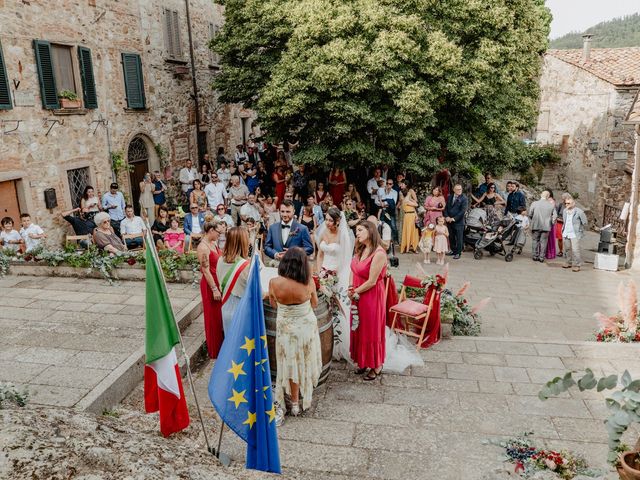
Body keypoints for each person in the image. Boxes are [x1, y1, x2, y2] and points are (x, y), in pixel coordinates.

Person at [269, 247, 322, 416]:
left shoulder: (274, 282)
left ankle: (293, 402)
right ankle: (299, 400)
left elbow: (273, 304)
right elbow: (314, 304)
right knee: (303, 361)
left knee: (289, 361)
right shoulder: (308, 282)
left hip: (285, 327)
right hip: (305, 327)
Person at [348, 220, 387, 381]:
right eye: (356, 231)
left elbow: (372, 281)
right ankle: (363, 361)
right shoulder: (360, 249)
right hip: (356, 294)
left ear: (370, 231)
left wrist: (355, 291)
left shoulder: (379, 253)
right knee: (359, 328)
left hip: (371, 296)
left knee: (371, 330)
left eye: (360, 230)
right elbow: (353, 268)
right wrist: (350, 287)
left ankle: (376, 365)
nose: (357, 234)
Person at [315, 208, 354, 361]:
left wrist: (334, 275)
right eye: (326, 219)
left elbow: (346, 260)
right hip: (323, 273)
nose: (327, 223)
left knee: (338, 308)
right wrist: (319, 274)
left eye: (331, 220)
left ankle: (340, 344)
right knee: (323, 308)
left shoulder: (343, 235)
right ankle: (324, 340)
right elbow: (320, 254)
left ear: (338, 221)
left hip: (337, 275)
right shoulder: (323, 232)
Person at [197, 221, 224, 358]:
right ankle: (215, 350)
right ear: (211, 230)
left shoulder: (213, 243)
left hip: (218, 280)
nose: (219, 235)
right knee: (212, 318)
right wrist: (214, 289)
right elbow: (205, 270)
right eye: (218, 232)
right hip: (210, 284)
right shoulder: (203, 247)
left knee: (219, 317)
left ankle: (221, 346)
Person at [217, 227, 250, 333]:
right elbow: (258, 293)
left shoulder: (220, 260)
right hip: (242, 311)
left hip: (226, 308)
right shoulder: (247, 265)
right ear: (243, 242)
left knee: (230, 343)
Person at [528, 191, 557, 262]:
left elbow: (530, 214)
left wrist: (533, 220)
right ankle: (541, 257)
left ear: (541, 195)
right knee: (543, 241)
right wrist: (551, 223)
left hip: (536, 225)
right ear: (548, 196)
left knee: (535, 240)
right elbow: (555, 216)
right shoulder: (551, 205)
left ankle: (535, 256)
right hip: (546, 226)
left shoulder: (534, 203)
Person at [561, 197, 588, 272]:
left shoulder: (579, 212)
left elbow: (585, 222)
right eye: (565, 203)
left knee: (575, 250)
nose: (566, 205)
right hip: (566, 232)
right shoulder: (564, 211)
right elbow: (564, 221)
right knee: (567, 249)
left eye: (568, 203)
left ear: (573, 203)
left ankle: (577, 265)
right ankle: (568, 262)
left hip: (575, 234)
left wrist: (580, 230)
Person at [444, 184, 467, 259]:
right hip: (449, 221)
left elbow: (462, 211)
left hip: (458, 222)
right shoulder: (450, 196)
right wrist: (446, 216)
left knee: (459, 238)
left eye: (460, 189)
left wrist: (453, 218)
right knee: (451, 237)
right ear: (454, 190)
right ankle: (453, 250)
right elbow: (446, 208)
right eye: (457, 189)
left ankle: (458, 253)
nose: (459, 191)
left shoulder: (464, 198)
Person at [399, 180, 419, 253]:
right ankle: (406, 246)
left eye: (402, 184)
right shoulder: (401, 192)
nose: (401, 185)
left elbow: (416, 202)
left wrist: (410, 201)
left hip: (412, 211)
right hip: (406, 212)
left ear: (406, 184)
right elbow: (402, 201)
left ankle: (414, 246)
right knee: (406, 230)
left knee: (414, 231)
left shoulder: (410, 191)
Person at [377, 178, 399, 243]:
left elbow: (393, 202)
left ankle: (395, 240)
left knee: (393, 226)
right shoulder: (382, 190)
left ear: (392, 185)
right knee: (382, 225)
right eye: (387, 183)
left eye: (390, 184)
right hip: (383, 210)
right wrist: (386, 202)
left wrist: (385, 202)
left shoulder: (394, 192)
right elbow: (378, 201)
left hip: (391, 211)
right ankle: (383, 240)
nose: (388, 185)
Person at [545, 190, 557, 260]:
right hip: (547, 221)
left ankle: (550, 253)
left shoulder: (551, 201)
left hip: (550, 222)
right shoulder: (546, 200)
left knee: (550, 238)